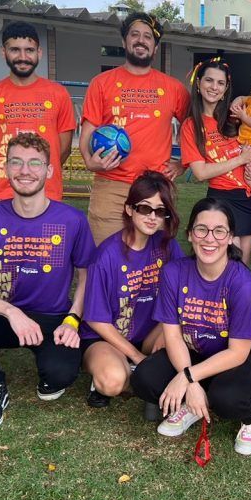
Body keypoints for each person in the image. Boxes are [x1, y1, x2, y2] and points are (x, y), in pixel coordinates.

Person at [0, 134, 96, 431]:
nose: (25, 171)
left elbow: (86, 275)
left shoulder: (71, 219)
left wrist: (73, 320)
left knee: (59, 376)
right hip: (3, 316)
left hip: (52, 318)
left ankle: (51, 363)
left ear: (49, 171)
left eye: (34, 163)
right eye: (16, 162)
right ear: (6, 168)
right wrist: (11, 312)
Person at [130, 198, 251, 456]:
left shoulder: (242, 282)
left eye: (219, 231)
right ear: (190, 234)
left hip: (245, 359)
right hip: (196, 351)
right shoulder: (173, 272)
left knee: (227, 399)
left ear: (231, 237)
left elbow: (238, 353)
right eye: (201, 229)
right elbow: (173, 335)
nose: (210, 238)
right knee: (144, 378)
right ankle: (193, 403)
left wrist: (187, 377)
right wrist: (192, 383)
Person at [80, 12, 191, 244]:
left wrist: (183, 164)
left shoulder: (174, 88)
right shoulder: (101, 83)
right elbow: (88, 129)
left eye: (148, 37)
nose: (141, 40)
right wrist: (90, 162)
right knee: (104, 256)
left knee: (152, 261)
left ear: (155, 46)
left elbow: (193, 128)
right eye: (135, 35)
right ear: (124, 41)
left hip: (155, 189)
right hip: (111, 185)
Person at [81, 171, 183, 413]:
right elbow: (96, 319)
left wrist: (167, 330)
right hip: (105, 337)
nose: (152, 217)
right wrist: (137, 357)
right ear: (129, 209)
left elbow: (184, 288)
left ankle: (147, 377)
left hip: (147, 334)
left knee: (180, 331)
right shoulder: (106, 256)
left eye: (160, 211)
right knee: (111, 381)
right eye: (144, 208)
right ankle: (133, 376)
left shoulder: (167, 245)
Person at [0, 21, 76, 203]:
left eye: (29, 50)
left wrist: (36, 171)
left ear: (39, 53)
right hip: (1, 194)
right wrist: (15, 171)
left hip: (46, 193)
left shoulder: (58, 94)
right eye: (15, 50)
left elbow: (62, 150)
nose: (23, 57)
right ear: (4, 52)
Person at [180, 57, 251, 263]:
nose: (214, 87)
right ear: (198, 84)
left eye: (220, 83)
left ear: (226, 88)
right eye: (209, 81)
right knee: (227, 263)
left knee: (242, 267)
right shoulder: (191, 126)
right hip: (222, 199)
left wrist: (239, 99)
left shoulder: (234, 117)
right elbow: (200, 173)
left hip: (249, 196)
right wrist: (240, 158)